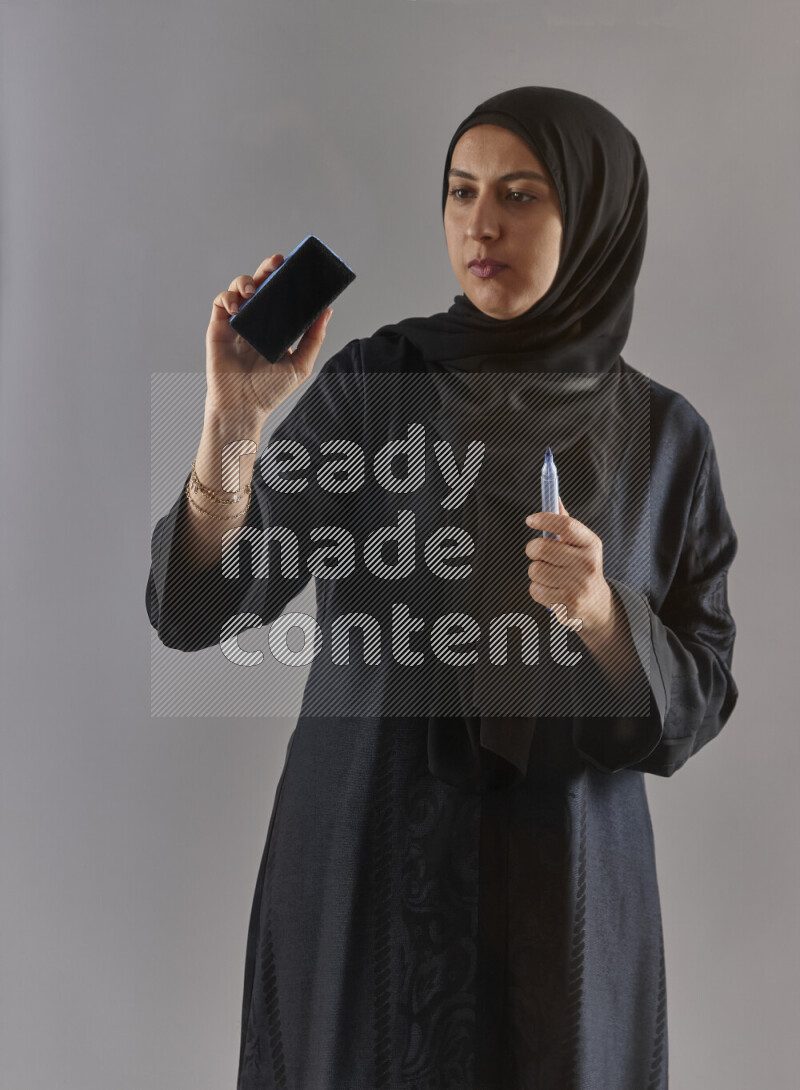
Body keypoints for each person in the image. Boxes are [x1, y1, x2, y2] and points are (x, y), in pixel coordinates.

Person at [146, 86, 738, 1090]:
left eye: (518, 193)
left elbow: (702, 684)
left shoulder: (664, 439)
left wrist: (600, 614)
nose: (480, 223)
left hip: (567, 888)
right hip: (371, 858)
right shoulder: (375, 386)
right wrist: (232, 426)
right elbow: (207, 604)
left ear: (590, 216)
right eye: (460, 192)